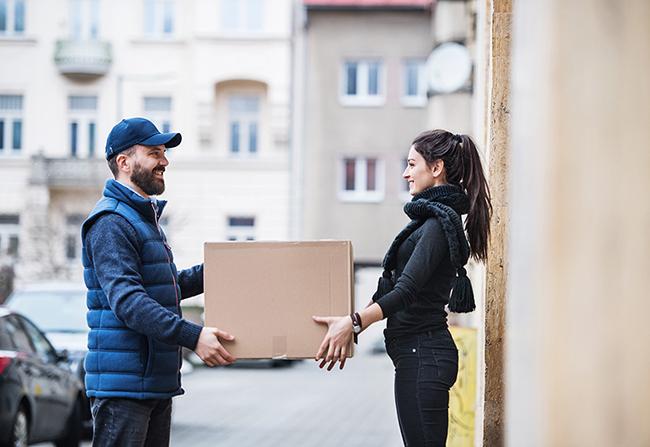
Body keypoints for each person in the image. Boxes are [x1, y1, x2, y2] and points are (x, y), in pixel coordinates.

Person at [313, 129, 492, 447]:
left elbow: (406, 290)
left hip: (424, 356)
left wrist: (355, 322)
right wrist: (347, 323)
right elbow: (396, 287)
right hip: (418, 355)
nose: (406, 173)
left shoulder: (438, 225)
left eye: (412, 164)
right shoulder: (431, 222)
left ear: (436, 168)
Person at [81, 117, 236, 446]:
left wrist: (222, 269)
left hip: (151, 382)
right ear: (124, 162)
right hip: (124, 389)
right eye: (154, 153)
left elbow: (163, 288)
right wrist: (193, 336)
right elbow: (129, 302)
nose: (164, 161)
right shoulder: (111, 221)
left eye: (164, 152)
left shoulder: (140, 218)